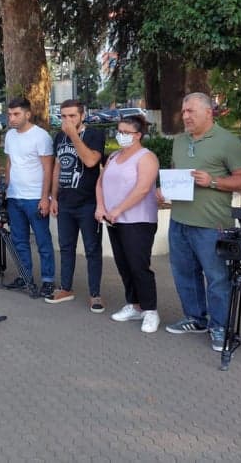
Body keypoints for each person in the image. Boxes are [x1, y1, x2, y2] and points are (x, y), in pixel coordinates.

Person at [162, 92, 241, 351]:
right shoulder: (180, 141)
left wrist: (213, 181)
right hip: (179, 220)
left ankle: (220, 326)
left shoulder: (227, 141)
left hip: (212, 225)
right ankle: (195, 318)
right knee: (184, 273)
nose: (185, 116)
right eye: (183, 111)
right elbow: (176, 172)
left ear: (208, 112)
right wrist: (165, 188)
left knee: (217, 278)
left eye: (190, 111)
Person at [96, 115, 160, 333]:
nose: (120, 135)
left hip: (138, 220)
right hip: (114, 221)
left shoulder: (146, 157)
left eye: (126, 132)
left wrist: (119, 209)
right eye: (119, 131)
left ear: (138, 135)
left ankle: (150, 310)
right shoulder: (114, 156)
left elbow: (142, 189)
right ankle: (134, 304)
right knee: (123, 264)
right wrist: (101, 207)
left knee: (138, 265)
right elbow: (100, 182)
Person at [46, 99, 106, 311]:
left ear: (82, 115)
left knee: (92, 249)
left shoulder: (94, 135)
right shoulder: (59, 137)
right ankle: (66, 288)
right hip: (65, 203)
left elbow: (91, 161)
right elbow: (57, 168)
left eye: (72, 116)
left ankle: (95, 294)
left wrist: (73, 135)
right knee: (66, 247)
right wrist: (53, 197)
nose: (67, 120)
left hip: (88, 203)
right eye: (63, 116)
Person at [4, 98, 55, 296]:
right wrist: (6, 188)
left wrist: (45, 198)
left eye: (16, 114)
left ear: (28, 114)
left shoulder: (41, 136)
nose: (12, 118)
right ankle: (25, 276)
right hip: (14, 197)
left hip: (35, 198)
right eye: (10, 114)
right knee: (19, 240)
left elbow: (48, 168)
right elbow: (9, 163)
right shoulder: (10, 136)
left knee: (43, 241)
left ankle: (48, 280)